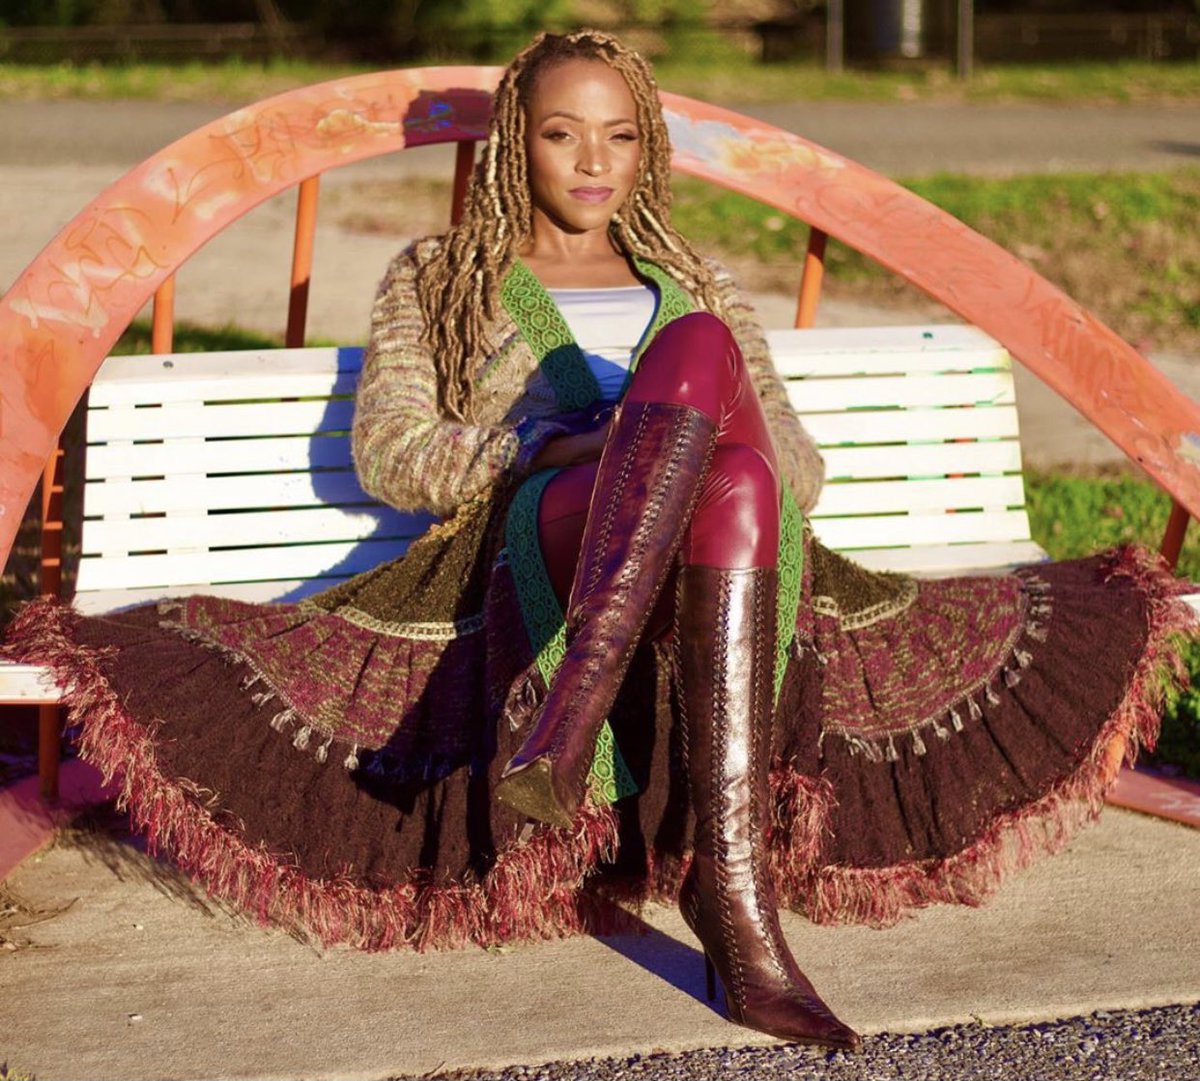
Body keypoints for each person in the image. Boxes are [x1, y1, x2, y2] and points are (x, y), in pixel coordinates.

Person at [4, 28, 1193, 1055]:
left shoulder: (695, 278)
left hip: (722, 536)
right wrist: (555, 452)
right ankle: (719, 887)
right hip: (544, 537)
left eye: (619, 137)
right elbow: (394, 450)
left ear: (648, 149)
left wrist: (650, 436)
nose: (592, 163)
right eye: (563, 134)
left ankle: (654, 816)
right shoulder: (441, 279)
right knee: (698, 410)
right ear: (517, 138)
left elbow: (796, 467)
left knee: (708, 397)